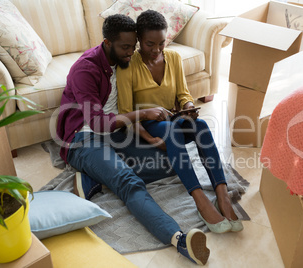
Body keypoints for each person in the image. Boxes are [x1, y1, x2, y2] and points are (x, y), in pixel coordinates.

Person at [56, 14, 210, 265]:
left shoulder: (127, 61)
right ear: (107, 43)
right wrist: (144, 113)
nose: (131, 53)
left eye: (133, 46)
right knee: (128, 182)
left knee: (173, 160)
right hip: (84, 138)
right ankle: (180, 239)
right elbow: (97, 123)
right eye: (125, 48)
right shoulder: (85, 70)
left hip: (118, 132)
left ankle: (94, 179)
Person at [116, 10, 243, 233]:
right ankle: (200, 199)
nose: (156, 50)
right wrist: (151, 139)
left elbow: (183, 94)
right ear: (139, 41)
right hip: (150, 125)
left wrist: (188, 108)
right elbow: (126, 113)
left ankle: (222, 196)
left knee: (201, 126)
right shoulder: (127, 67)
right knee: (170, 130)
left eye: (161, 43)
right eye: (149, 44)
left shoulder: (173, 58)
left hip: (174, 119)